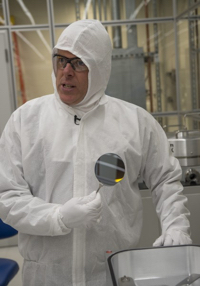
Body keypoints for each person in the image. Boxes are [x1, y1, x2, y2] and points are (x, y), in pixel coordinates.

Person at [0, 19, 192, 286]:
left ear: (100, 68)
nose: (65, 71)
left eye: (79, 63)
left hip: (113, 273)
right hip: (47, 276)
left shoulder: (135, 122)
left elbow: (165, 180)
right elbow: (8, 197)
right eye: (60, 60)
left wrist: (176, 225)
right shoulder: (26, 122)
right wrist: (58, 217)